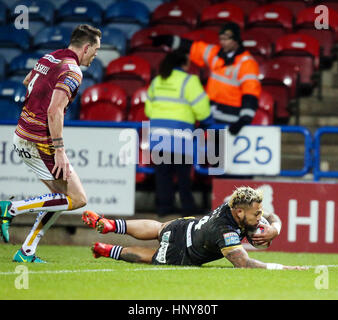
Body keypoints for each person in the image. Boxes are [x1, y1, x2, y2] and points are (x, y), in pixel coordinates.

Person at [0, 24, 102, 263]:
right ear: (86, 47)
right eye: (95, 49)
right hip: (39, 141)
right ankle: (11, 209)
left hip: (22, 133)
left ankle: (27, 251)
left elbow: (27, 81)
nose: (96, 55)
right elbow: (55, 111)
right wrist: (59, 150)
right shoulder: (73, 71)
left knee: (59, 198)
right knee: (78, 199)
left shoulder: (49, 57)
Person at [81, 186, 307, 270]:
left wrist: (275, 229)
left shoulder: (232, 205)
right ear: (240, 213)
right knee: (151, 258)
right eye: (256, 214)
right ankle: (108, 250)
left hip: (185, 225)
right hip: (184, 251)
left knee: (159, 228)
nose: (260, 218)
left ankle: (111, 225)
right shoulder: (226, 232)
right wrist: (284, 268)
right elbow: (244, 263)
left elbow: (271, 215)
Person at [151, 22, 262, 136]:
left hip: (231, 119)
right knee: (213, 153)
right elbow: (193, 47)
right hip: (213, 116)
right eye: (221, 39)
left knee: (225, 153)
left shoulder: (247, 63)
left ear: (236, 40)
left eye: (226, 39)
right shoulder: (215, 53)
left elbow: (251, 93)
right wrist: (168, 40)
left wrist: (245, 119)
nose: (222, 42)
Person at [144, 50, 214, 216]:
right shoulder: (189, 81)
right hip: (180, 137)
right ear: (184, 64)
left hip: (157, 136)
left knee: (163, 174)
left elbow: (148, 109)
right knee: (183, 175)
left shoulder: (157, 80)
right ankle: (187, 209)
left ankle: (163, 208)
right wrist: (208, 122)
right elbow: (201, 108)